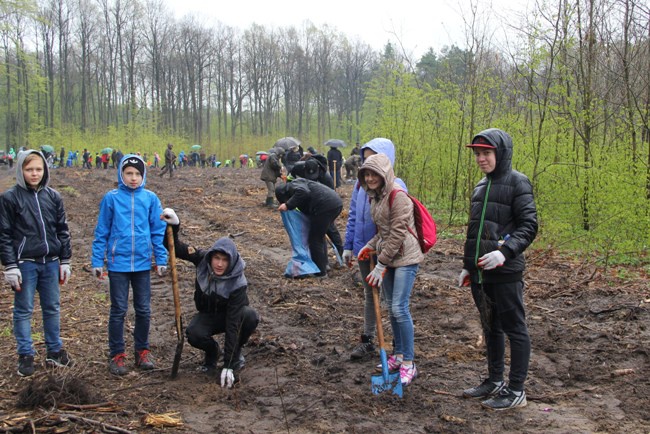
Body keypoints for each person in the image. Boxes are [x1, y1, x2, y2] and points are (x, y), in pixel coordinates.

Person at [459, 128, 538, 410]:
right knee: (490, 326)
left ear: (501, 153)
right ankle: (494, 381)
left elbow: (529, 226)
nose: (481, 158)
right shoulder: (480, 187)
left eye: (487, 153)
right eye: (478, 153)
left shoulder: (518, 183)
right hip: (481, 273)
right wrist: (468, 267)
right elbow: (475, 232)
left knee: (514, 328)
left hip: (505, 271)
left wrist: (504, 253)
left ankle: (516, 390)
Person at [160, 209, 259, 387]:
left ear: (231, 261)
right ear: (211, 256)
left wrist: (228, 365)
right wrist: (174, 225)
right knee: (194, 334)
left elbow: (233, 324)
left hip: (233, 316)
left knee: (250, 316)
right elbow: (174, 246)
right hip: (208, 315)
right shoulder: (202, 259)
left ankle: (236, 355)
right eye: (217, 258)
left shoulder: (238, 283)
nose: (219, 264)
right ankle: (213, 353)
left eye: (224, 260)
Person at [91, 154, 168, 376]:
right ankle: (117, 355)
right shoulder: (111, 198)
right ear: (121, 174)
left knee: (143, 309)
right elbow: (102, 231)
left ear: (143, 176)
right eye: (129, 173)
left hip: (143, 264)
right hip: (118, 264)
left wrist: (160, 258)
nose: (133, 178)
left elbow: (157, 230)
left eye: (137, 174)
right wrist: (98, 260)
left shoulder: (151, 198)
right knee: (119, 310)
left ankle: (142, 351)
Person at [0, 150, 73, 377]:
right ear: (21, 170)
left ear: (45, 170)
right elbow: (4, 234)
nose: (34, 174)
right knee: (24, 310)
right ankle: (25, 354)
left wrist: (65, 260)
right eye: (29, 169)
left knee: (52, 307)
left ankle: (54, 350)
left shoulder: (53, 197)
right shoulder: (10, 199)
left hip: (51, 262)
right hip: (25, 263)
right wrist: (10, 265)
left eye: (38, 169)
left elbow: (62, 230)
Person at [356, 153, 423, 386]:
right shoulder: (374, 197)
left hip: (406, 257)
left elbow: (397, 234)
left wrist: (381, 264)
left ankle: (409, 363)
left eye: (374, 173)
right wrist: (369, 246)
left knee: (399, 308)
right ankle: (399, 354)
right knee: (392, 309)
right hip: (390, 257)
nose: (370, 177)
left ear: (384, 174)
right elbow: (383, 232)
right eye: (366, 173)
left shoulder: (399, 196)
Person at [344, 138, 406, 361]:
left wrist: (383, 256)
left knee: (391, 300)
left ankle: (399, 347)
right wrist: (348, 245)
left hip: (386, 252)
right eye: (365, 159)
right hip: (363, 250)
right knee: (370, 295)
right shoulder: (360, 185)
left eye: (374, 158)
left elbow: (399, 225)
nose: (368, 165)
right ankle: (368, 340)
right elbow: (353, 215)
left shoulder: (396, 186)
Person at [275, 178, 343, 277]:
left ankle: (321, 272)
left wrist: (288, 205)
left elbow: (304, 192)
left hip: (324, 205)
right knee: (325, 232)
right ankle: (332, 262)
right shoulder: (299, 183)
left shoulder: (292, 187)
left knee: (315, 239)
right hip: (334, 202)